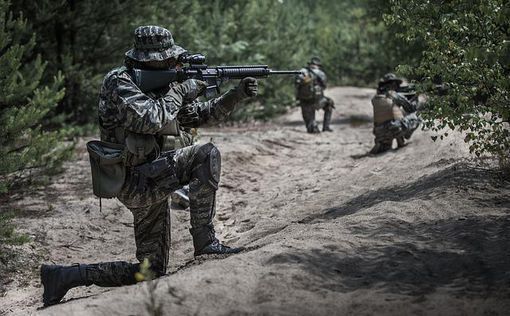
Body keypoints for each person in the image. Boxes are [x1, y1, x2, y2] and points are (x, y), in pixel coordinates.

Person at [40, 25, 257, 306]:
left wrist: (236, 95)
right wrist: (180, 90)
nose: (172, 63)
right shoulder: (119, 82)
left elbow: (196, 117)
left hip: (152, 174)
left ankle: (67, 276)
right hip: (134, 180)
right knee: (206, 154)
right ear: (147, 59)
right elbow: (151, 119)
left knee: (150, 272)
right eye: (166, 59)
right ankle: (205, 243)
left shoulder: (162, 86)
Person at [370, 73, 421, 154]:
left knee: (396, 113)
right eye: (396, 84)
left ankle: (384, 142)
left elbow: (388, 110)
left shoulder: (376, 97)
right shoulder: (394, 95)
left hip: (379, 132)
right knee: (417, 116)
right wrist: (415, 98)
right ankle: (403, 136)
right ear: (393, 84)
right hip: (394, 128)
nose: (397, 86)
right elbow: (411, 108)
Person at [295, 56, 335, 133]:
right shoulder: (320, 73)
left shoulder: (302, 71)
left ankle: (311, 126)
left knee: (307, 115)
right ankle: (326, 127)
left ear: (310, 64)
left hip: (304, 99)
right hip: (317, 100)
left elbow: (296, 85)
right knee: (329, 103)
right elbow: (324, 86)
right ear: (318, 65)